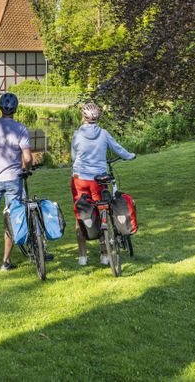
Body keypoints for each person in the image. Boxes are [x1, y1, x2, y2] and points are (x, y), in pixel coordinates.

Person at [71, 102, 135, 267]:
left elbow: (73, 157)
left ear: (83, 117)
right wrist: (130, 156)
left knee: (81, 214)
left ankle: (82, 257)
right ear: (98, 117)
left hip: (80, 180)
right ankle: (105, 254)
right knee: (102, 213)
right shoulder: (104, 134)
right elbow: (118, 149)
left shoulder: (77, 135)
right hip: (98, 180)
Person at [0, 92, 33, 272]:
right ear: (15, 109)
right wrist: (27, 168)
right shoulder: (21, 129)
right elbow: (27, 157)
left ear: (0, 108)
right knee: (10, 218)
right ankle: (5, 262)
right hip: (13, 180)